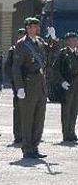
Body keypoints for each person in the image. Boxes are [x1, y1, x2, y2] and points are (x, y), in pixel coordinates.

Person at [12, 17, 59, 159]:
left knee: (39, 117)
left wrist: (53, 39)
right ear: (27, 27)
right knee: (28, 118)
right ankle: (27, 148)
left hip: (40, 84)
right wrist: (19, 87)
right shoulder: (22, 44)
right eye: (33, 26)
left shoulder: (39, 42)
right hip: (29, 84)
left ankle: (35, 146)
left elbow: (51, 53)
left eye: (37, 26)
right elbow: (16, 67)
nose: (36, 29)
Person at [56, 31, 78, 142]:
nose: (74, 42)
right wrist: (62, 82)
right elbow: (55, 70)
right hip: (68, 85)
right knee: (66, 110)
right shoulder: (63, 53)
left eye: (75, 40)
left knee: (74, 110)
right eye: (72, 40)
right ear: (67, 42)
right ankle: (66, 133)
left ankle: (72, 131)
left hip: (77, 85)